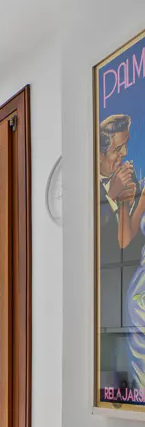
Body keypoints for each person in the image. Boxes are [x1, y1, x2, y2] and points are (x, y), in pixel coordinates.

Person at [99, 114, 145, 391]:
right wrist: (124, 202)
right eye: (119, 149)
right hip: (130, 295)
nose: (125, 155)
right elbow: (124, 242)